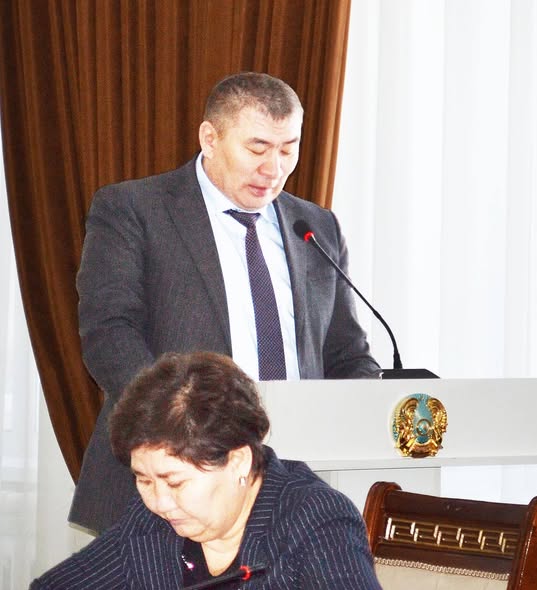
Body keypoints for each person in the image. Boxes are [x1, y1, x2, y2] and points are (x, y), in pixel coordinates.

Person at [70, 71, 381, 534]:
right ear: (210, 139)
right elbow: (110, 334)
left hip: (293, 489)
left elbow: (348, 355)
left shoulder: (316, 227)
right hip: (171, 482)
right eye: (257, 148)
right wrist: (181, 428)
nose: (273, 169)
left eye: (288, 149)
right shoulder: (135, 209)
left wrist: (366, 410)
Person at [31, 352, 383, 589]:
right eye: (143, 480)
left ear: (238, 461)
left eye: (175, 482)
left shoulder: (314, 517)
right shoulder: (150, 521)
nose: (159, 502)